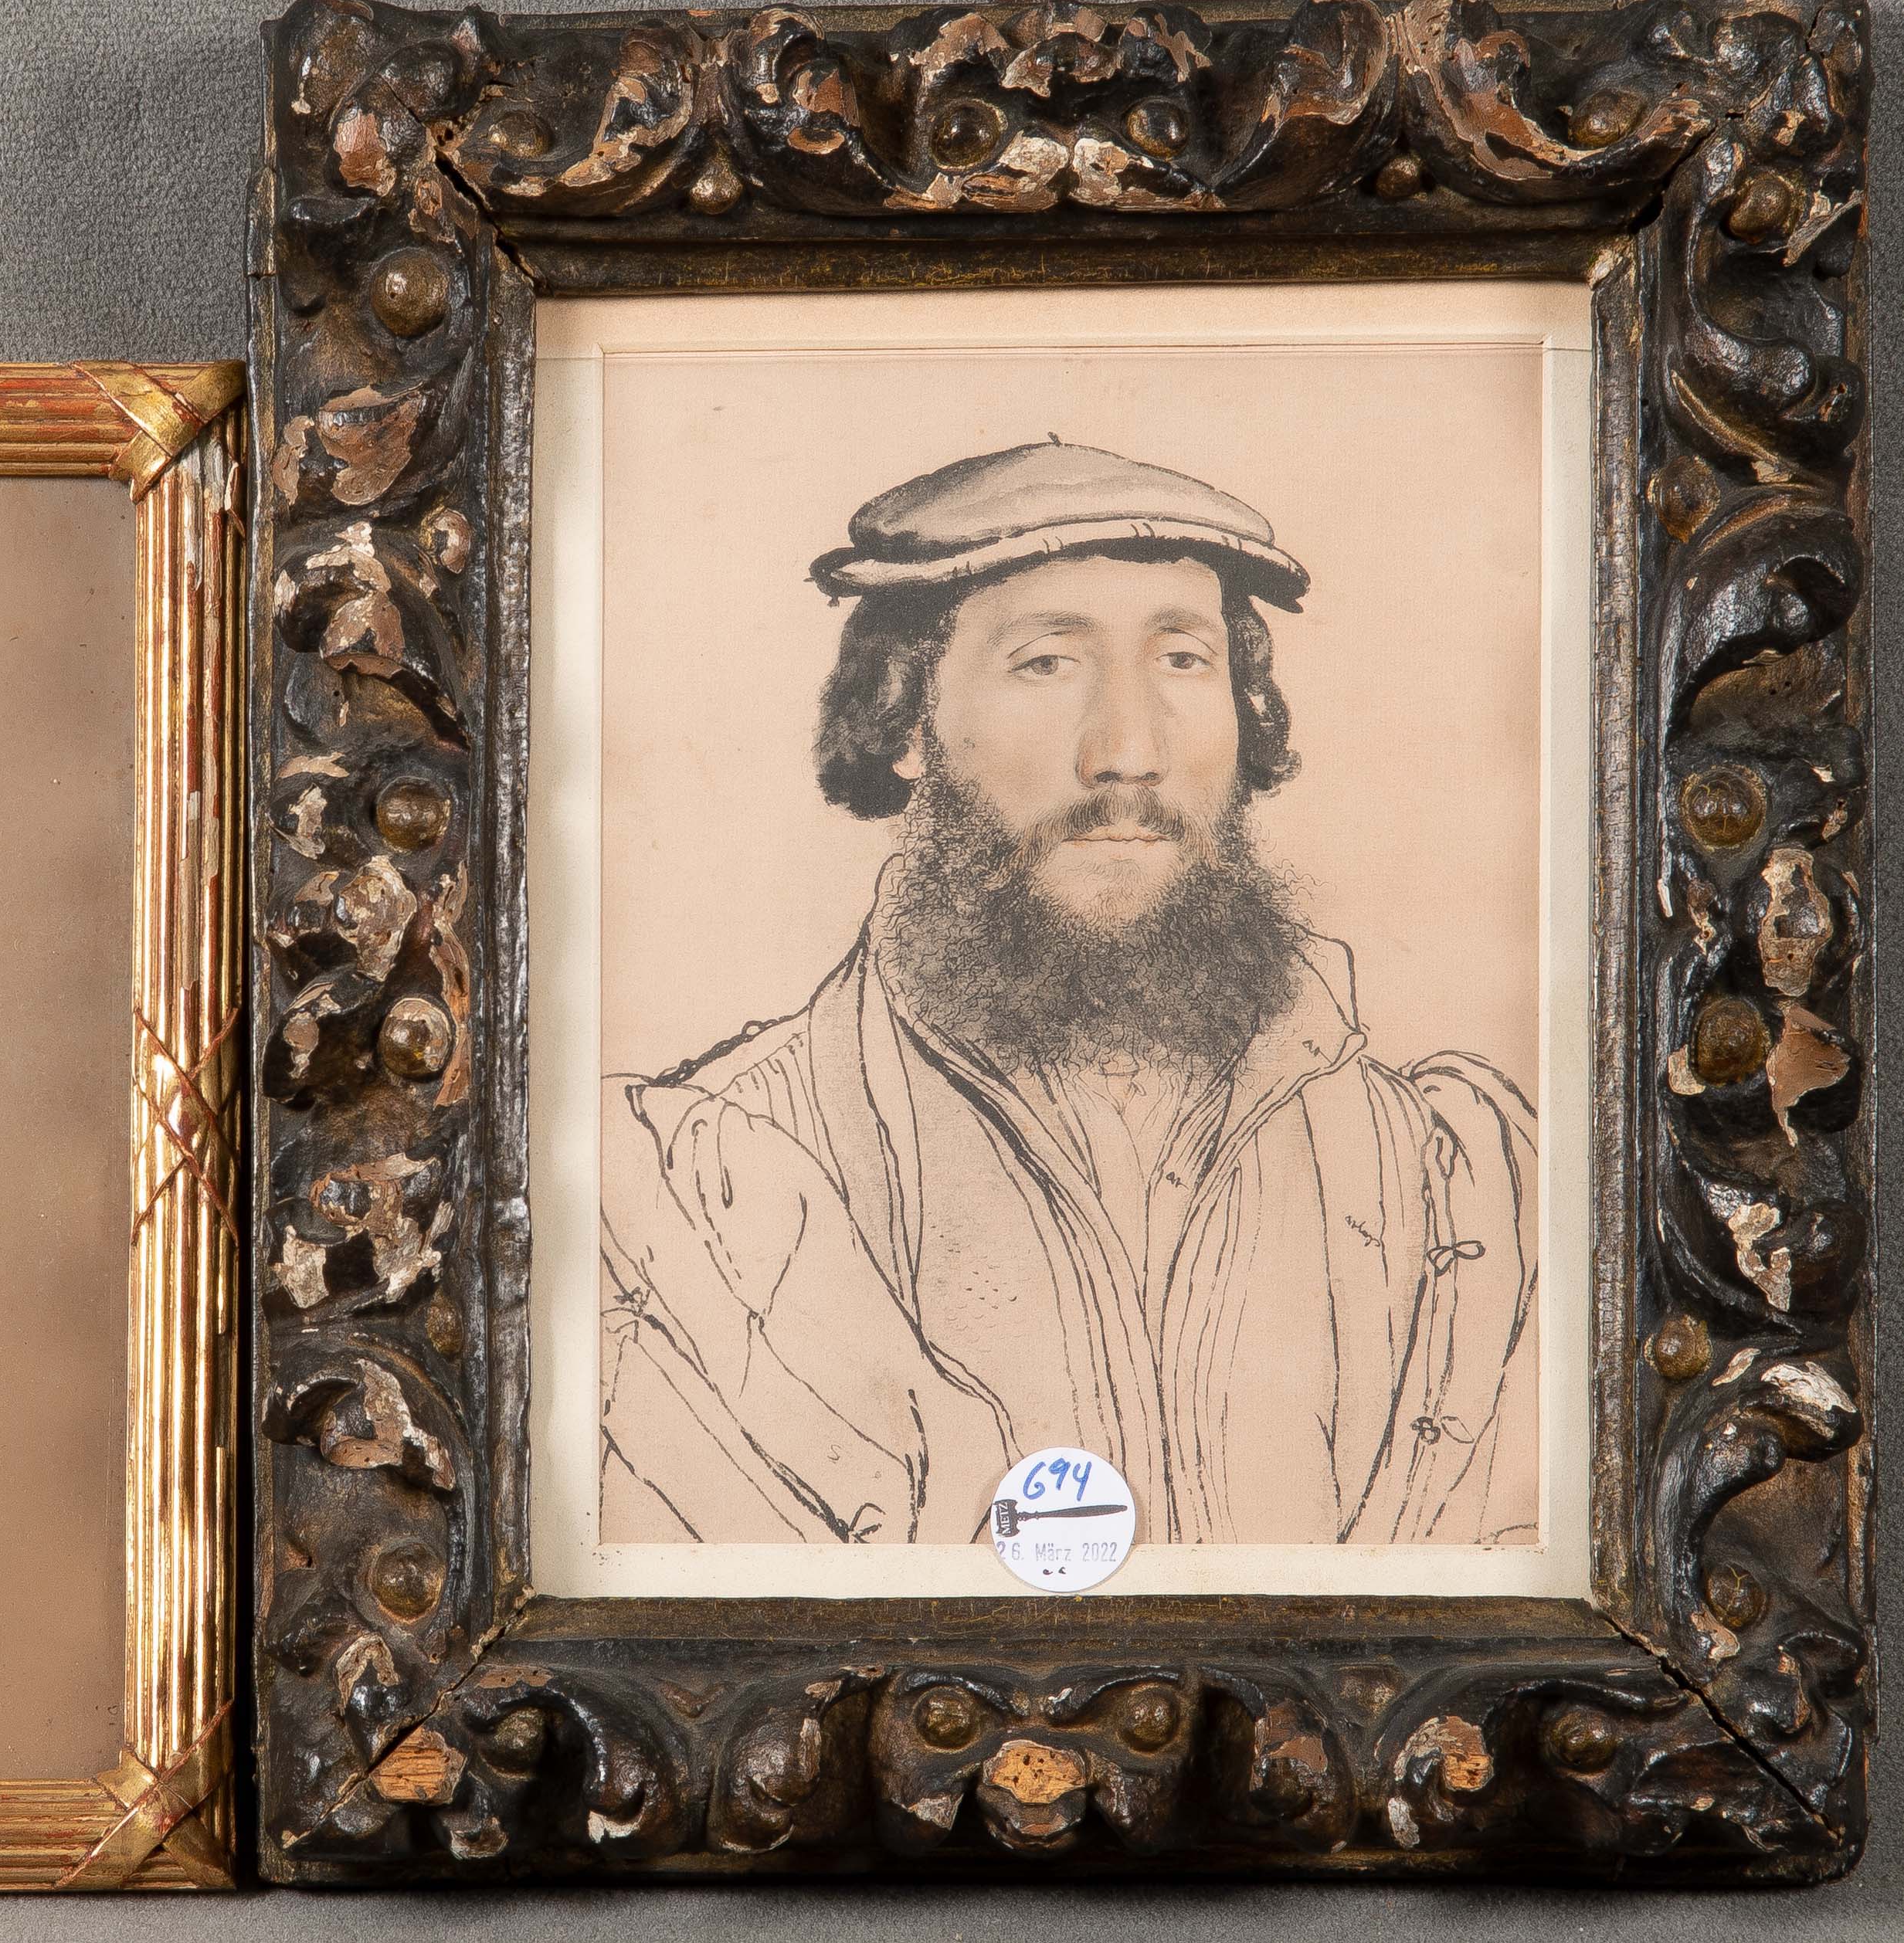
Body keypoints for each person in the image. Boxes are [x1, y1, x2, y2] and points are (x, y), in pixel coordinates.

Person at [597, 439, 1538, 1549]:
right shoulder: (688, 1191)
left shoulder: (1456, 1179)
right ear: (907, 721)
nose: (1128, 753)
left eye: (1183, 660)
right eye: (1046, 663)